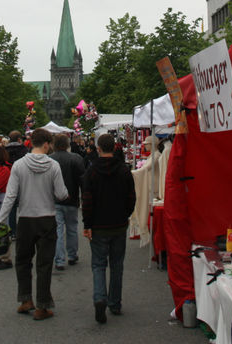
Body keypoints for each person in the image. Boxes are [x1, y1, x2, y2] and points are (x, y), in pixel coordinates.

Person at [0, 128, 69, 321]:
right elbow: (61, 194)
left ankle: (25, 299)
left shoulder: (19, 165)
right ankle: (43, 306)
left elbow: (10, 196)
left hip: (26, 218)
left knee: (23, 261)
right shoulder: (53, 166)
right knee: (44, 264)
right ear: (46, 144)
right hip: (47, 217)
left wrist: (0, 220)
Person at [82, 133, 136, 324]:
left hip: (98, 225)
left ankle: (99, 298)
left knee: (98, 264)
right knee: (117, 264)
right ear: (114, 148)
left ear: (98, 149)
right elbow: (132, 197)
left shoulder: (91, 171)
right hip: (118, 224)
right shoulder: (123, 170)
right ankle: (115, 302)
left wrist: (87, 224)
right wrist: (125, 215)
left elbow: (87, 201)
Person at [49, 133, 84, 270]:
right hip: (72, 198)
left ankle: (59, 259)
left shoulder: (50, 160)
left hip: (55, 200)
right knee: (72, 228)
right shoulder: (76, 159)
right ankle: (72, 254)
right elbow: (82, 180)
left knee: (58, 230)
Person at [4, 131, 28, 238]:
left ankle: (13, 231)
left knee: (11, 208)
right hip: (23, 181)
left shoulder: (5, 151)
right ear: (19, 139)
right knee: (24, 207)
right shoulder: (24, 150)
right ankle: (24, 231)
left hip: (9, 180)